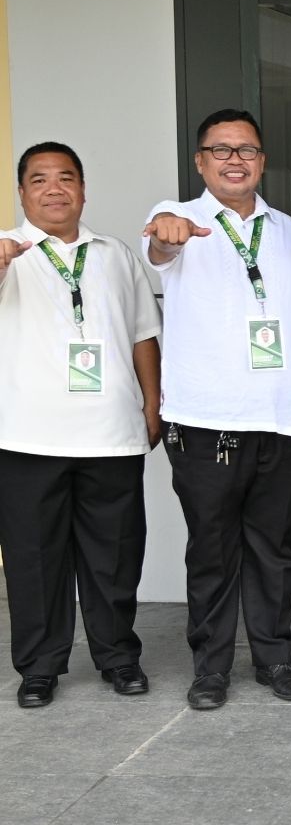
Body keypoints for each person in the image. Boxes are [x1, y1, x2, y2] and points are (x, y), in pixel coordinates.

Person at [141, 109, 291, 710]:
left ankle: (276, 658)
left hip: (279, 417)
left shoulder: (287, 232)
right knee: (212, 548)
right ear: (200, 161)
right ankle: (211, 667)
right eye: (220, 150)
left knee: (277, 549)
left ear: (262, 160)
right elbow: (158, 244)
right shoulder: (178, 219)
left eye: (246, 150)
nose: (234, 159)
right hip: (204, 421)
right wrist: (165, 230)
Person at [0, 142, 162, 708]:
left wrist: (152, 403)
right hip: (26, 435)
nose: (54, 189)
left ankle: (119, 657)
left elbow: (144, 334)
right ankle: (40, 667)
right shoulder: (8, 253)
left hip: (111, 433)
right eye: (39, 179)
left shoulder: (116, 254)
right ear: (22, 192)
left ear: (83, 189)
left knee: (114, 556)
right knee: (33, 558)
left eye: (66, 178)